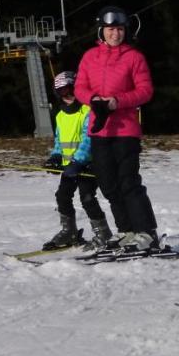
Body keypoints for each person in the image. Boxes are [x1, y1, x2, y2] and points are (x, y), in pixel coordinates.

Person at [72, 5, 160, 253]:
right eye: (111, 29)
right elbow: (80, 87)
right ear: (101, 31)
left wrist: (117, 101)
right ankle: (127, 230)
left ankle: (147, 231)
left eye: (120, 29)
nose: (115, 34)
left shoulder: (134, 57)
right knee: (108, 183)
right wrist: (94, 99)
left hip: (125, 131)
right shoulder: (89, 57)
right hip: (100, 131)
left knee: (128, 182)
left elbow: (145, 91)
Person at [41, 71, 113, 251]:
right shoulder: (60, 115)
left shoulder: (87, 111)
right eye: (62, 92)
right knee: (62, 196)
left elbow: (88, 139)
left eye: (70, 90)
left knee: (87, 197)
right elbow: (59, 140)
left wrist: (78, 161)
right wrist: (56, 157)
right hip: (70, 167)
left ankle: (103, 234)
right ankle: (69, 232)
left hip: (87, 165)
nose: (67, 96)